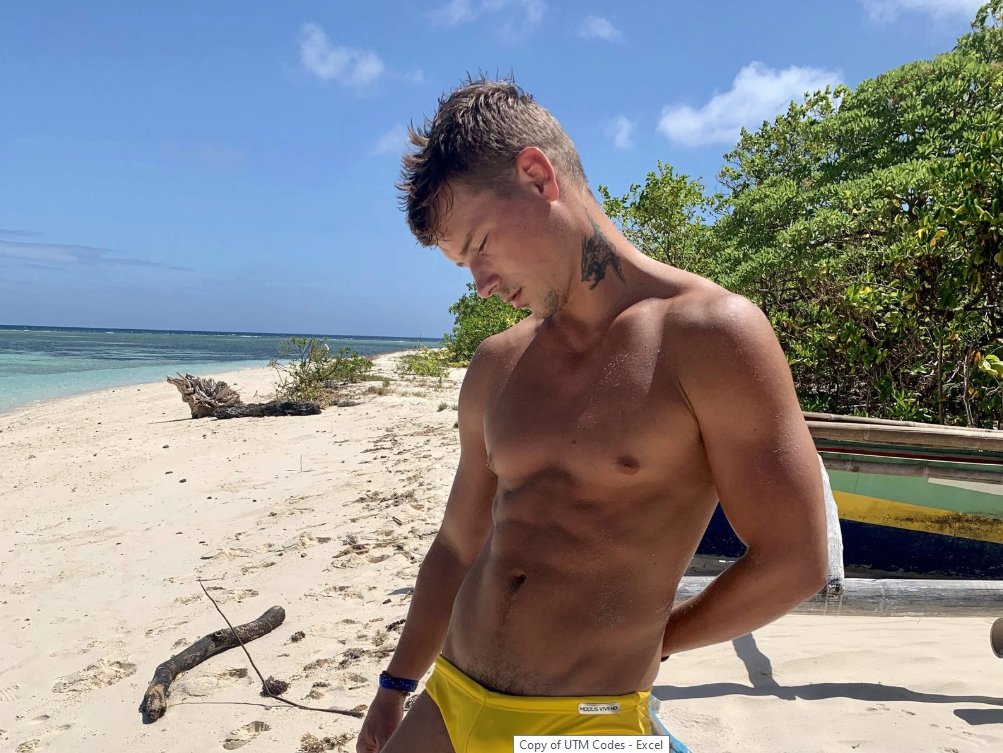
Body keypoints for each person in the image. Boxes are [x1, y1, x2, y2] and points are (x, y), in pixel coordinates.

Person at [356, 78, 828, 753]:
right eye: (464, 266)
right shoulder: (497, 363)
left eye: (481, 244)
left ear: (537, 175)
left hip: (590, 721)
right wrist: (395, 684)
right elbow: (458, 544)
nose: (481, 284)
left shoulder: (707, 336)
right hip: (450, 700)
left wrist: (656, 640)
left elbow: (796, 557)